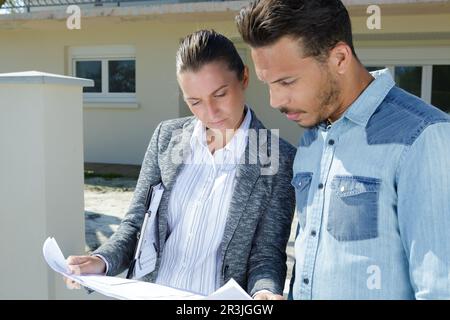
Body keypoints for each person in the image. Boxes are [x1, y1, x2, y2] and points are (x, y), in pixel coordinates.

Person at [236, 0, 450, 299]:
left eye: (287, 81)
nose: (275, 100)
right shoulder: (312, 139)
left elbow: (439, 290)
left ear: (339, 58)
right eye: (268, 83)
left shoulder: (424, 136)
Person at [65, 29, 296, 299]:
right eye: (194, 102)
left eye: (220, 94)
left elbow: (267, 254)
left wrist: (265, 291)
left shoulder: (277, 157)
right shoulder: (167, 138)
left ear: (244, 78)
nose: (210, 112)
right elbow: (136, 225)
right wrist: (102, 260)